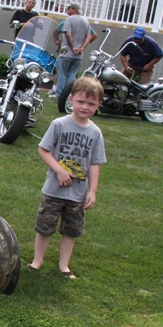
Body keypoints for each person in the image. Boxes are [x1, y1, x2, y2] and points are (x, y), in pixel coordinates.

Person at [27, 77, 106, 280]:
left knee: (70, 230)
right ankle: (37, 261)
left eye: (91, 103)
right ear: (70, 99)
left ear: (99, 105)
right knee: (45, 227)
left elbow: (94, 163)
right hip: (54, 190)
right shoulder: (59, 124)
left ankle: (64, 265)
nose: (85, 107)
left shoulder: (95, 133)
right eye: (80, 101)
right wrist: (59, 170)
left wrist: (93, 191)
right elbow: (44, 150)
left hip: (77, 194)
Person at [48, 22, 97, 96]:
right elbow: (56, 31)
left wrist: (83, 44)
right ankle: (61, 91)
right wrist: (56, 40)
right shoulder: (82, 24)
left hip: (67, 52)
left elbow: (94, 35)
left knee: (62, 72)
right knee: (67, 73)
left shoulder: (70, 22)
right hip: (73, 52)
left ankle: (60, 93)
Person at [55, 2, 92, 97]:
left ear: (74, 9)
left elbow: (68, 34)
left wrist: (73, 47)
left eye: (68, 8)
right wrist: (82, 47)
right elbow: (89, 36)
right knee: (72, 75)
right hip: (79, 55)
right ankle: (69, 95)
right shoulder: (86, 20)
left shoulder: (69, 19)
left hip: (67, 52)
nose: (67, 10)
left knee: (62, 74)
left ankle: (60, 95)